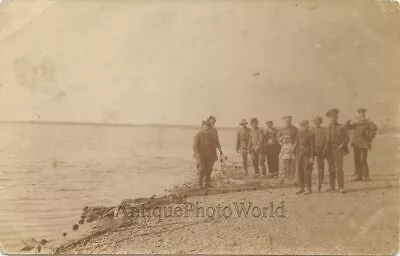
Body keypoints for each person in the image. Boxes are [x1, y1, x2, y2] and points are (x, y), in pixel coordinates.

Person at [346, 108, 378, 182]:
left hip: (364, 144)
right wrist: (348, 121)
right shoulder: (357, 122)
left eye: (363, 113)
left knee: (363, 159)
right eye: (360, 113)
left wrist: (369, 139)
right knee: (356, 159)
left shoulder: (368, 122)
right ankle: (358, 175)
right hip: (356, 143)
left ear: (364, 114)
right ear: (358, 114)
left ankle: (365, 176)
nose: (361, 114)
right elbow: (348, 127)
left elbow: (374, 130)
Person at [324, 108, 350, 193]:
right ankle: (332, 186)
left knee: (339, 168)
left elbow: (347, 138)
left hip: (338, 150)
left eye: (334, 118)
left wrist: (342, 145)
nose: (332, 119)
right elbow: (326, 140)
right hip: (329, 150)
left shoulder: (341, 127)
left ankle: (341, 187)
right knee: (331, 168)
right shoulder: (327, 128)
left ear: (337, 118)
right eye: (331, 118)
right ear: (329, 119)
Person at [294, 120, 315, 195]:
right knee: (300, 171)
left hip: (307, 155)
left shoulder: (311, 134)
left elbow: (312, 147)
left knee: (307, 172)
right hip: (300, 154)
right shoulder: (299, 133)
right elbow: (297, 144)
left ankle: (308, 189)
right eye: (301, 126)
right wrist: (296, 154)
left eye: (305, 126)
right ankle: (301, 188)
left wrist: (312, 157)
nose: (303, 127)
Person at [193, 121, 215, 187]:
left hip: (209, 155)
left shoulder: (211, 135)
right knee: (202, 168)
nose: (207, 127)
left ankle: (207, 183)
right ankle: (199, 184)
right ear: (202, 126)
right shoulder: (198, 134)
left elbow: (213, 146)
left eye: (208, 126)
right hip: (201, 154)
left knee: (209, 168)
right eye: (205, 126)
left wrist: (213, 155)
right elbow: (195, 146)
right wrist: (197, 154)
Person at [311, 116, 327, 192]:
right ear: (313, 122)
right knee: (309, 166)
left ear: (320, 122)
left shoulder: (324, 130)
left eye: (318, 121)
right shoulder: (311, 131)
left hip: (321, 150)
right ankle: (309, 182)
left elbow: (326, 141)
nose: (317, 123)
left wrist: (324, 149)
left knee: (321, 166)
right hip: (312, 150)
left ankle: (320, 182)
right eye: (315, 121)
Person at [207, 116, 224, 180]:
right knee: (205, 165)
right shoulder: (205, 129)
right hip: (206, 150)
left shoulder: (214, 130)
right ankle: (204, 179)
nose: (212, 122)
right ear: (208, 121)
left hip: (213, 150)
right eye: (211, 121)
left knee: (211, 165)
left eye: (214, 121)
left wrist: (220, 149)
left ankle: (208, 178)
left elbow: (217, 140)